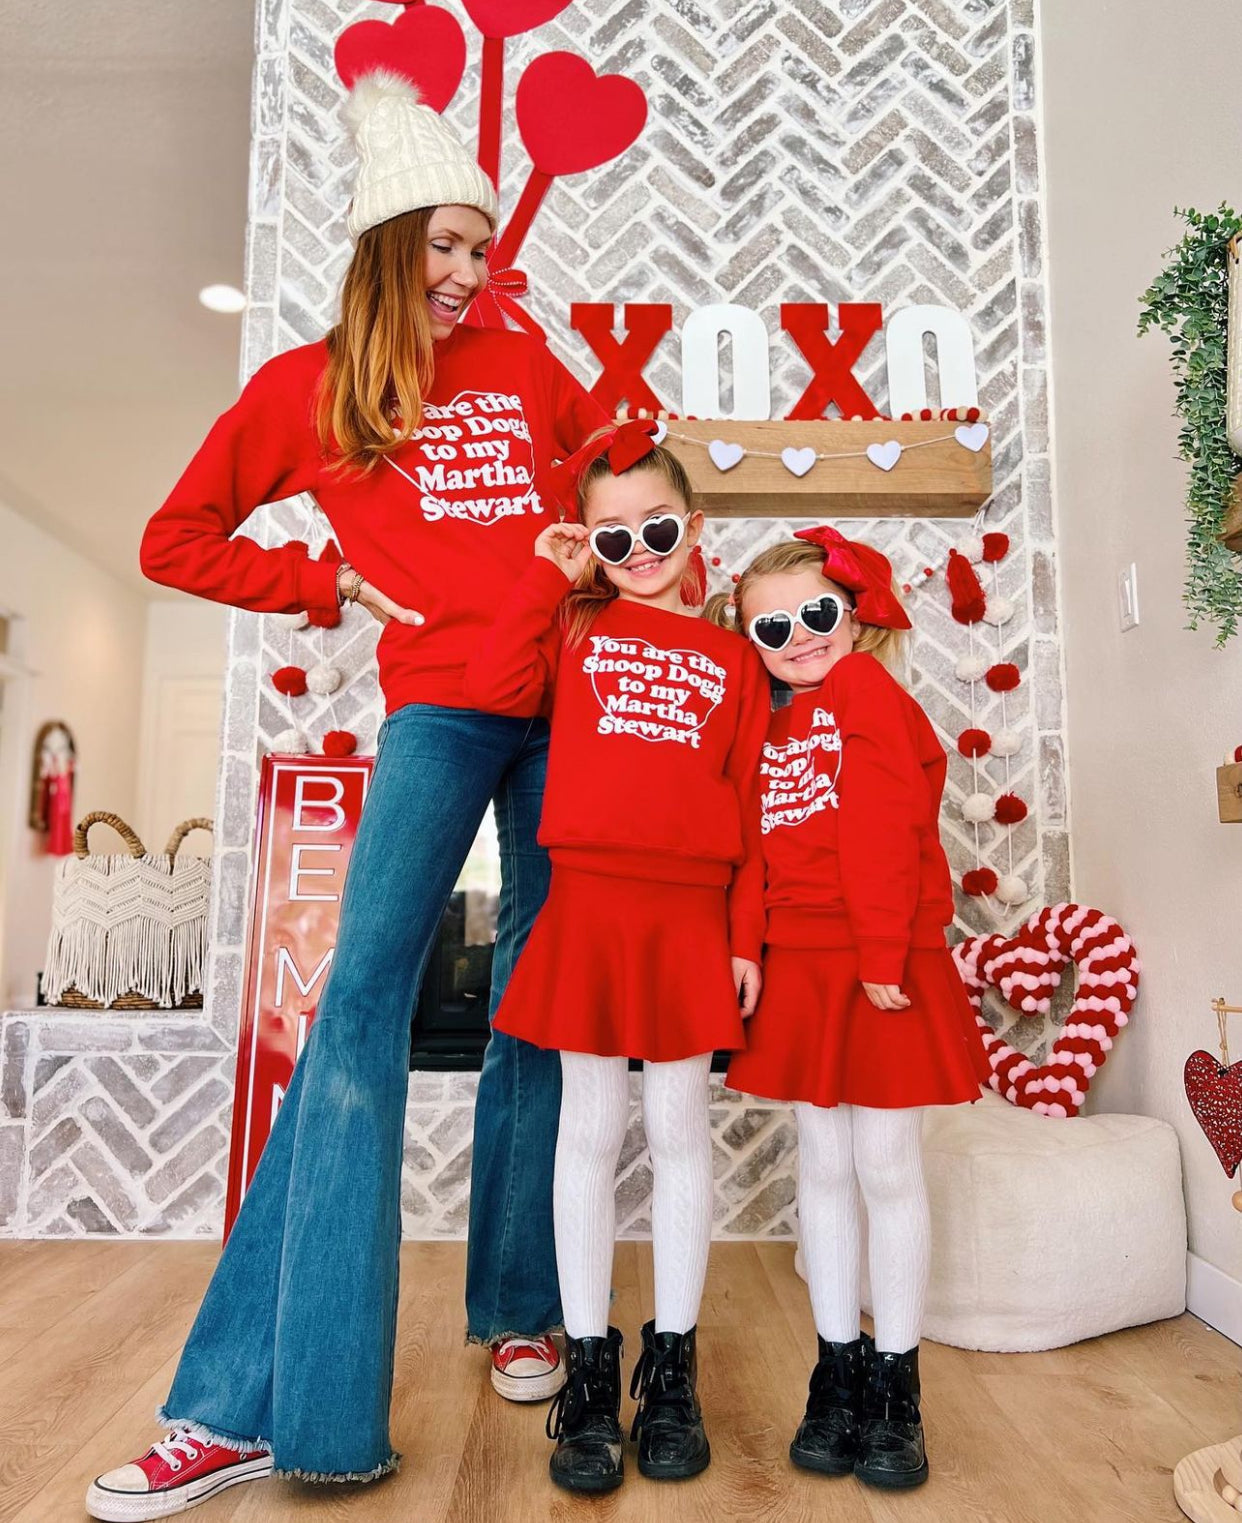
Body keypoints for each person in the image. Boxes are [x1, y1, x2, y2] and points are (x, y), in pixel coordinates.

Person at [85, 71, 609, 1522]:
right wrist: (323, 579)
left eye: (481, 247)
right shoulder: (308, 390)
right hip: (443, 706)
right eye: (443, 243)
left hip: (569, 710)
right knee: (360, 1014)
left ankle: (520, 1304)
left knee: (539, 1000)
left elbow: (607, 490)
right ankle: (255, 1401)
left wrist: (622, 565)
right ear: (385, 240)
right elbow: (175, 536)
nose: (468, 272)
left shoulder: (525, 364)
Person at [463, 423, 769, 1494]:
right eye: (612, 535)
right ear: (588, 542)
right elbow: (492, 685)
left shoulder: (738, 659)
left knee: (680, 1130)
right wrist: (543, 579)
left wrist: (743, 937)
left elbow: (750, 806)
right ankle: (590, 1371)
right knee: (587, 1131)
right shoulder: (575, 624)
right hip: (588, 907)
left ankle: (671, 1373)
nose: (639, 551)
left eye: (658, 528)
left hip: (688, 916)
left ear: (695, 526)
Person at [709, 526, 989, 1493]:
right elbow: (749, 849)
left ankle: (897, 1385)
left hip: (881, 959)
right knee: (822, 1165)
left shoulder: (868, 690)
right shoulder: (767, 725)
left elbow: (883, 821)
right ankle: (837, 1373)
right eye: (771, 628)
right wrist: (746, 948)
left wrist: (878, 951)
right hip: (801, 965)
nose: (798, 637)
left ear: (853, 614)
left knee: (886, 1163)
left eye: (815, 613)